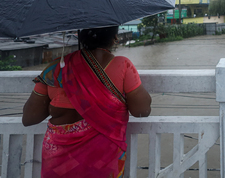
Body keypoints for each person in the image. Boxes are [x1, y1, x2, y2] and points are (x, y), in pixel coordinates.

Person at [22, 26, 151, 178]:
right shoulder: (123, 65)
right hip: (103, 162)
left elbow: (29, 117)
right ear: (115, 37)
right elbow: (142, 110)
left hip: (58, 164)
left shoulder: (56, 68)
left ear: (80, 36)